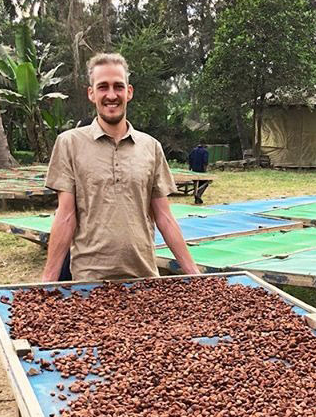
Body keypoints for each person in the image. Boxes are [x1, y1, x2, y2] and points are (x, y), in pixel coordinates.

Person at [42, 52, 199, 282]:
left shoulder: (150, 147)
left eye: (118, 86)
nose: (111, 95)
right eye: (103, 87)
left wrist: (194, 275)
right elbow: (65, 216)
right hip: (88, 281)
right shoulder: (69, 143)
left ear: (129, 92)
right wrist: (47, 283)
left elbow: (164, 217)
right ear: (91, 93)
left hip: (144, 279)